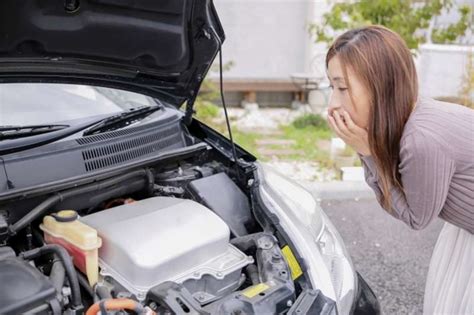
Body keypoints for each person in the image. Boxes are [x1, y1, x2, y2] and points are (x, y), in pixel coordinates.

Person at [324, 25, 473, 314]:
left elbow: (417, 217)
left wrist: (367, 153)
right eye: (331, 87)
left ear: (380, 86)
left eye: (342, 88)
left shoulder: (421, 139)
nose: (332, 103)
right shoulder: (416, 112)